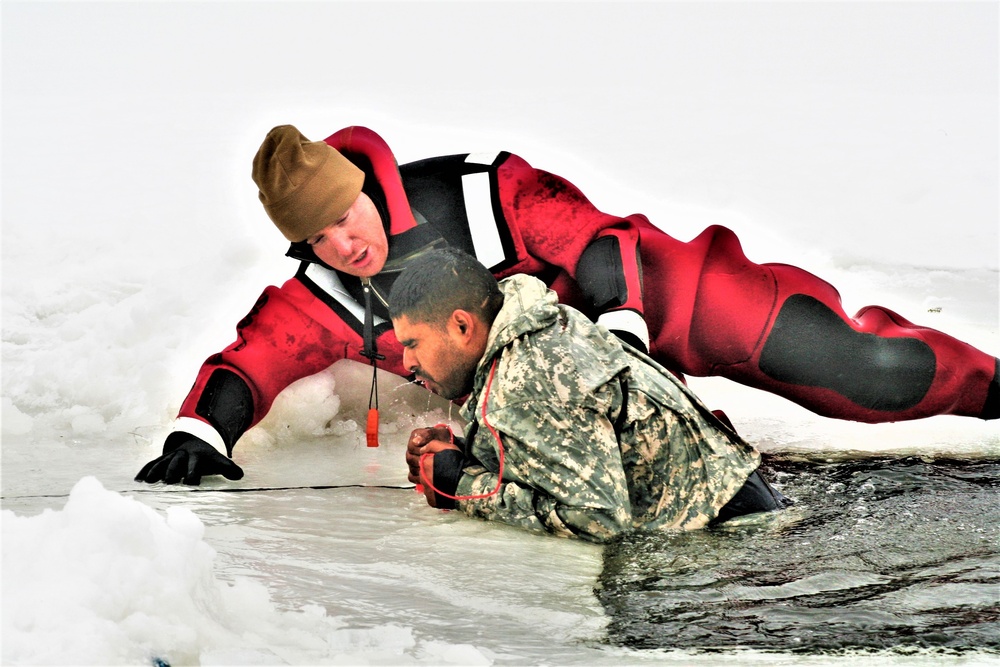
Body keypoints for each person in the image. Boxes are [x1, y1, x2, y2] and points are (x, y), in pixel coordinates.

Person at [135, 124, 998, 486]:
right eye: (317, 236)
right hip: (555, 390)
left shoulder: (478, 192)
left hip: (651, 304)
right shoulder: (325, 291)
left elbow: (594, 238)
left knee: (870, 369)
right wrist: (198, 432)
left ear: (365, 186)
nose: (342, 243)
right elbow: (250, 359)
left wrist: (623, 320)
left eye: (343, 215)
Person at [392, 248, 787, 541]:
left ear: (462, 326)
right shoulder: (537, 323)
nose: (407, 361)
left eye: (413, 343)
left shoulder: (525, 380)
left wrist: (461, 486)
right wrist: (469, 455)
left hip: (731, 539)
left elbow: (596, 519)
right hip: (737, 502)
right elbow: (572, 438)